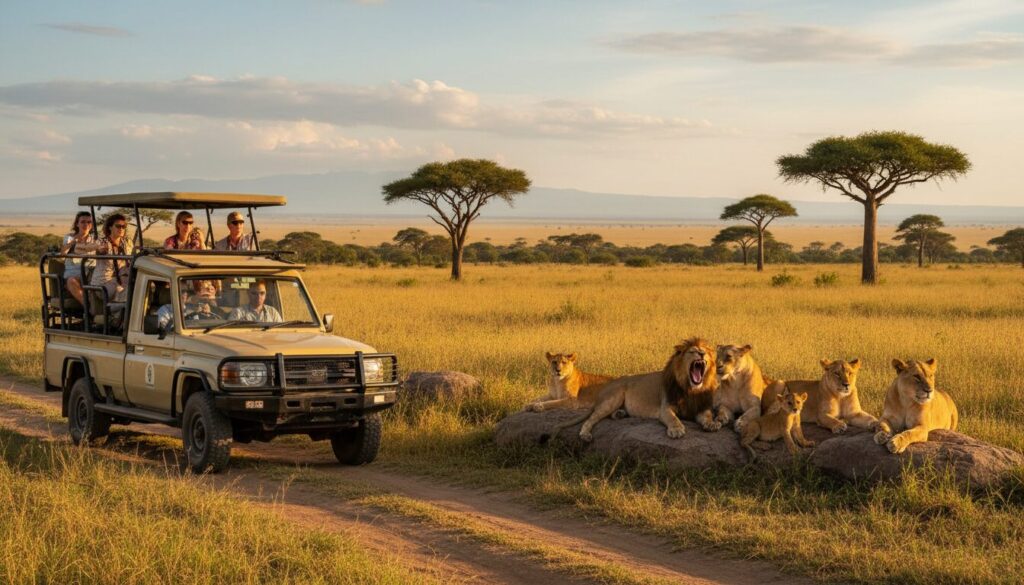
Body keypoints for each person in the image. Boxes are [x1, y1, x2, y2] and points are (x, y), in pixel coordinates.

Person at [88, 213, 134, 304]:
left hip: (121, 280)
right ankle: (117, 316)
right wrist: (99, 249)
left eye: (123, 226)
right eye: (118, 226)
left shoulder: (127, 243)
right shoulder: (102, 242)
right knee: (123, 289)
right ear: (110, 227)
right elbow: (92, 247)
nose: (121, 229)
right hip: (103, 284)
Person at [59, 211, 95, 304]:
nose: (86, 224)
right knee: (71, 281)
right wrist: (73, 243)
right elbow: (63, 253)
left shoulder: (95, 239)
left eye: (89, 222)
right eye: (83, 222)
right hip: (74, 274)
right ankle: (89, 308)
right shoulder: (69, 238)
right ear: (77, 224)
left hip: (91, 273)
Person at [156, 279, 221, 330]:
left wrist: (207, 316)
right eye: (181, 291)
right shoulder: (165, 310)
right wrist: (188, 317)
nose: (185, 294)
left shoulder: (192, 308)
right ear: (172, 293)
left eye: (186, 291)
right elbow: (162, 331)